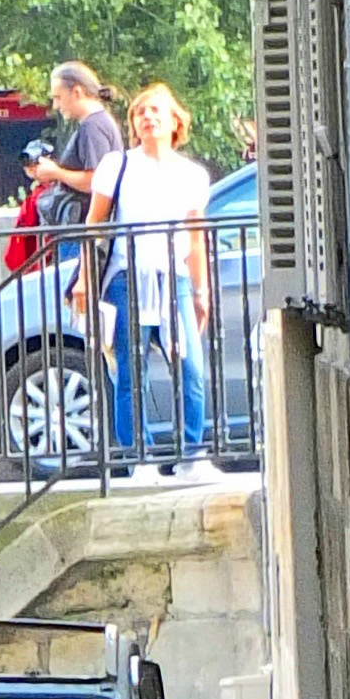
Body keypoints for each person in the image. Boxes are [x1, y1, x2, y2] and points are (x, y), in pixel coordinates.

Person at [69, 81, 210, 466]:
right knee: (130, 372)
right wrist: (84, 278)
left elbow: (195, 238)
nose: (148, 118)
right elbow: (93, 225)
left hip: (174, 277)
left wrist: (202, 290)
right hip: (126, 276)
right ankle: (139, 456)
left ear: (174, 122)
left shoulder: (192, 174)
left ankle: (192, 454)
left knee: (191, 368)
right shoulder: (118, 164)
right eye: (140, 113)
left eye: (155, 112)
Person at [31, 62, 124, 224]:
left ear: (77, 92)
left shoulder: (93, 127)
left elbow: (95, 182)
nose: (55, 106)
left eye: (58, 98)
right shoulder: (98, 123)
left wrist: (56, 172)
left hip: (83, 228)